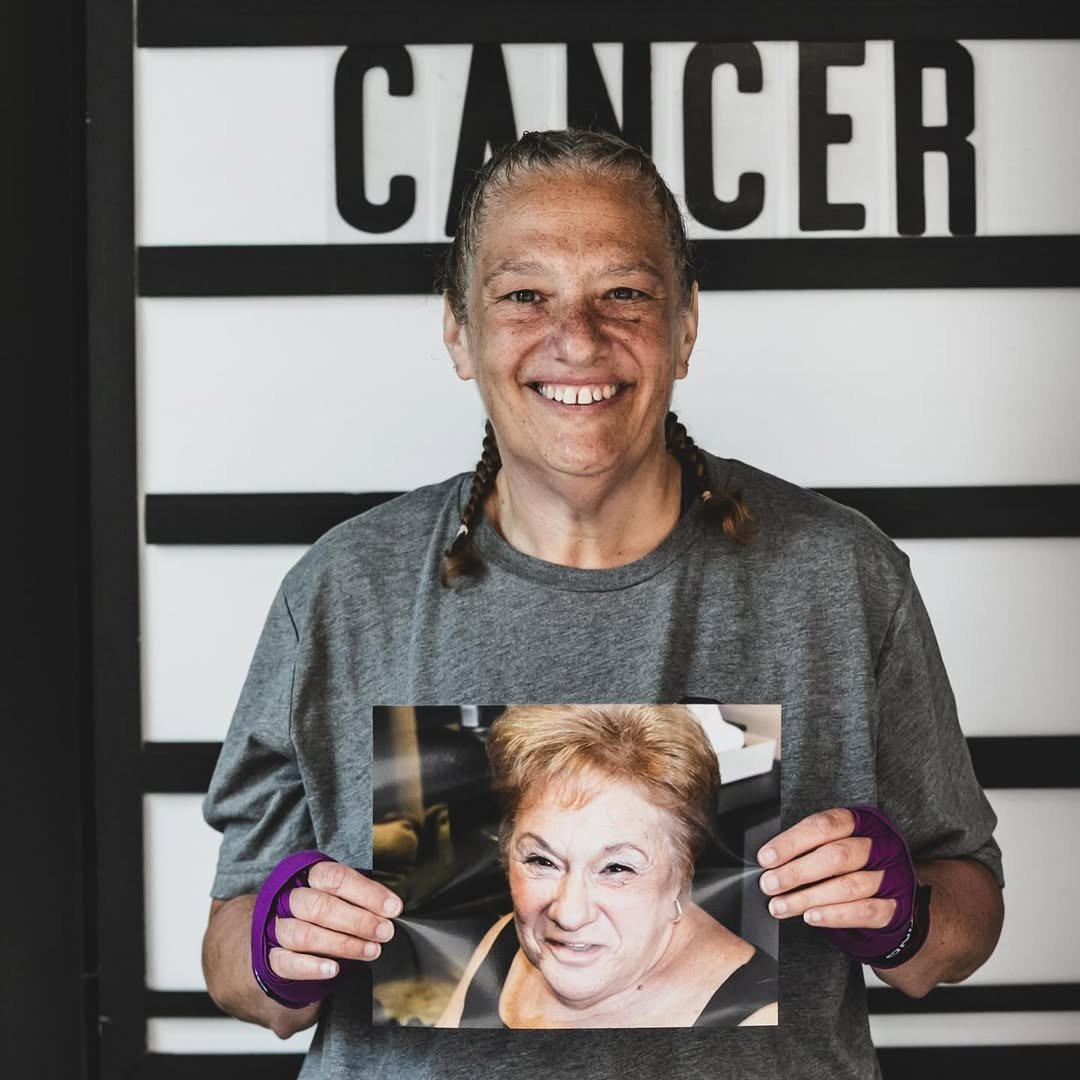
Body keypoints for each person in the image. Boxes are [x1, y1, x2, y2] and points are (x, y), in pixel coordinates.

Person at [201, 130, 1004, 1079]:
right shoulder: (341, 590)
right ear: (458, 332)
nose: (576, 337)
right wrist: (276, 947)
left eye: (624, 293)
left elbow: (964, 924)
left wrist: (905, 911)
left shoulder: (842, 576)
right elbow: (235, 972)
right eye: (523, 295)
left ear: (686, 327)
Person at [436, 704, 777, 1028]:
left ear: (681, 876)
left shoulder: (758, 1018)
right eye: (542, 861)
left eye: (616, 868)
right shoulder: (503, 941)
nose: (568, 915)